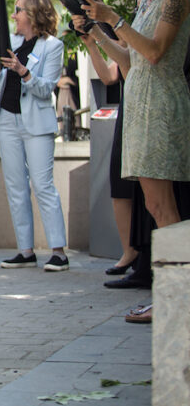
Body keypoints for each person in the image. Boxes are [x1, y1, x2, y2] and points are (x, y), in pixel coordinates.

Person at [81, 0, 190, 322]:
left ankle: (176, 301)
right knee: (157, 206)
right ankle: (171, 297)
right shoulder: (145, 2)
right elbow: (128, 63)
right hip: (140, 105)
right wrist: (97, 33)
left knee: (164, 208)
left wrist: (114, 18)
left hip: (163, 108)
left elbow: (157, 52)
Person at [0, 0, 68, 272]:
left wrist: (24, 72)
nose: (14, 15)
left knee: (43, 184)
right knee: (16, 186)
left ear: (34, 14)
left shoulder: (53, 46)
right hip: (7, 120)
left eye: (19, 10)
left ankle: (58, 251)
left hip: (36, 123)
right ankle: (25, 250)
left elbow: (46, 88)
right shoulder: (10, 42)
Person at [72, 14, 140, 280]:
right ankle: (128, 252)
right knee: (119, 185)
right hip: (125, 116)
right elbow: (109, 76)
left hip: (143, 113)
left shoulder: (138, 43)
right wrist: (91, 44)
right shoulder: (123, 45)